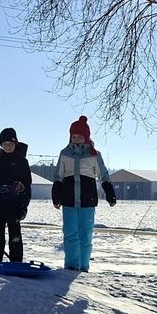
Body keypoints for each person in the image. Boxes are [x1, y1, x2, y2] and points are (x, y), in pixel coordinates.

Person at [52, 115, 117, 272]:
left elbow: (103, 175)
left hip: (88, 199)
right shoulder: (65, 153)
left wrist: (109, 193)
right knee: (70, 233)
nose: (76, 140)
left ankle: (83, 265)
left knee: (85, 234)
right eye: (73, 137)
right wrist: (56, 195)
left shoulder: (95, 155)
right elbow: (58, 176)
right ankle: (71, 265)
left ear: (86, 138)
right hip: (69, 199)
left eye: (79, 137)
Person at [0, 127, 31, 262]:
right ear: (1, 145)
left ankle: (16, 262)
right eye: (5, 144)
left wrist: (24, 205)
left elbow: (27, 186)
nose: (8, 147)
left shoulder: (22, 161)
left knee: (15, 237)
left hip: (15, 206)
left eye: (11, 144)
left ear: (15, 144)